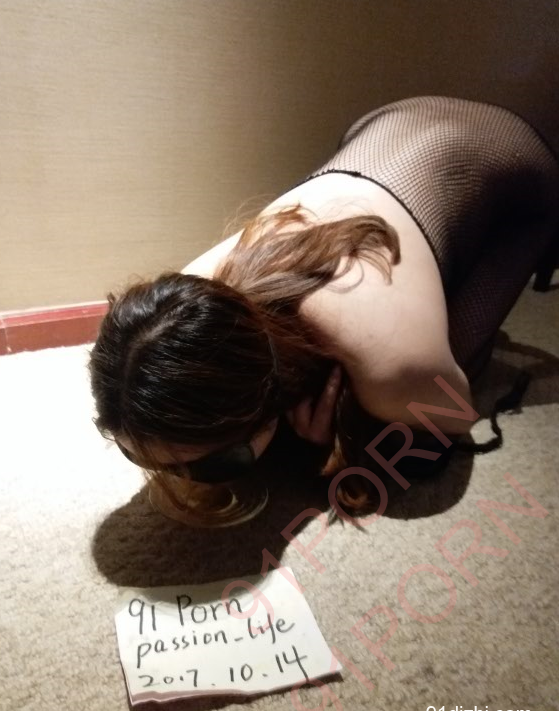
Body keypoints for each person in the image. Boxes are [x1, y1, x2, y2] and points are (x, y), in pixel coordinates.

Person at [88, 94, 559, 527]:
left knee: (422, 435)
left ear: (267, 407)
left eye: (218, 464)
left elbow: (456, 414)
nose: (179, 477)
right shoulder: (182, 303)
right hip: (382, 128)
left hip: (515, 171)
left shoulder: (391, 359)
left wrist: (341, 441)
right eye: (137, 455)